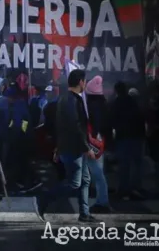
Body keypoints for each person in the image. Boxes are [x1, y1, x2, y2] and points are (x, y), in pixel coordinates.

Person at [34, 69, 97, 223]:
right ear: (81, 82)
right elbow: (75, 126)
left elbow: (62, 126)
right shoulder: (72, 100)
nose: (85, 84)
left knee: (85, 181)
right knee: (75, 183)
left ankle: (84, 213)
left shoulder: (65, 99)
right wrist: (86, 147)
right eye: (85, 81)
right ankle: (44, 198)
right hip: (73, 148)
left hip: (72, 147)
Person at [84, 76, 112, 213]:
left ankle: (102, 201)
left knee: (97, 172)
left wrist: (91, 139)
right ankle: (102, 200)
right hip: (101, 139)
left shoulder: (93, 106)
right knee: (98, 171)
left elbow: (94, 124)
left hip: (94, 138)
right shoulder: (103, 104)